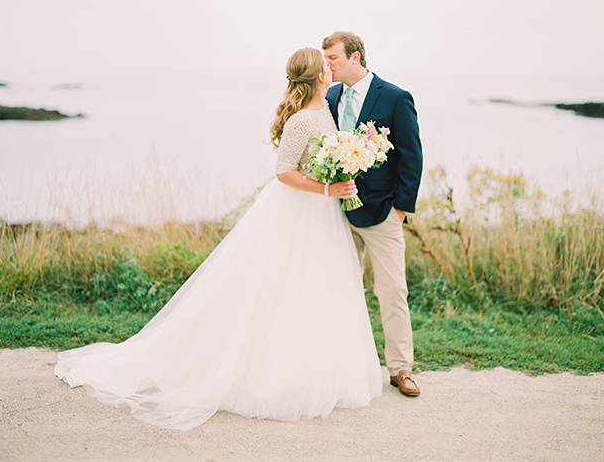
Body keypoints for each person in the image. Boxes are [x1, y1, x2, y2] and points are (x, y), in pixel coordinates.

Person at [55, 48, 382, 431]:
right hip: (299, 210)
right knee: (282, 289)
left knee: (318, 290)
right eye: (325, 65)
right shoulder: (300, 121)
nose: (331, 68)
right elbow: (283, 172)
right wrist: (328, 189)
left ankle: (321, 371)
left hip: (322, 213)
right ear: (316, 77)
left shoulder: (326, 107)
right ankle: (271, 376)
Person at [322, 31, 423, 396]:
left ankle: (401, 369)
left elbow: (412, 157)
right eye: (325, 58)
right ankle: (339, 366)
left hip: (383, 213)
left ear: (355, 57)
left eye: (332, 58)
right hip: (337, 213)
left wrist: (400, 210)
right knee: (337, 288)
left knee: (392, 291)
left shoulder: (395, 97)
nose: (327, 64)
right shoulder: (330, 96)